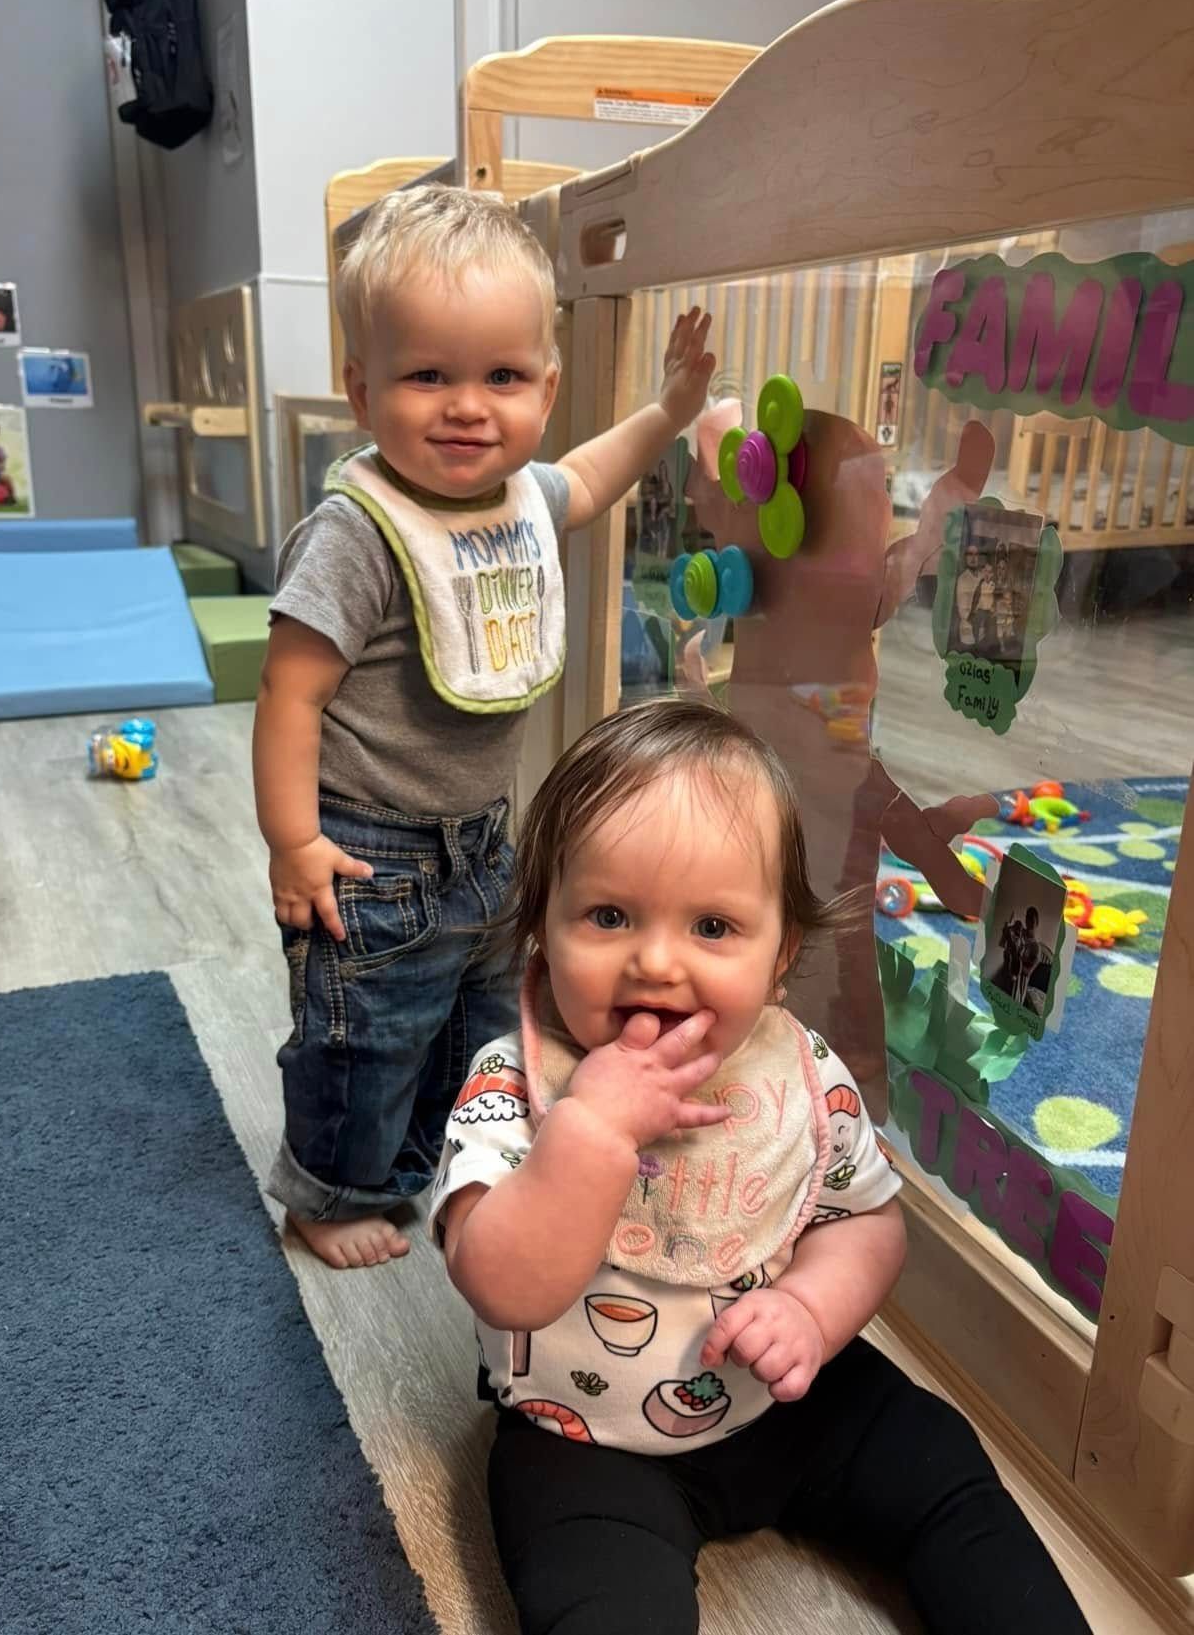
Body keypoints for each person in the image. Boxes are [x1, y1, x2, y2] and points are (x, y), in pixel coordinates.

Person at [431, 698, 1090, 1634]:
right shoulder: (512, 1084)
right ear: (544, 928)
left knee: (942, 1463)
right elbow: (499, 1282)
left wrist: (810, 1310)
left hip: (787, 1398)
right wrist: (590, 1132)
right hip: (584, 1436)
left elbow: (865, 1219)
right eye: (609, 915)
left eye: (712, 926)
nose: (656, 961)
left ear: (781, 957)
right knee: (600, 1604)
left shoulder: (798, 1077)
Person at [253, 185, 715, 1270]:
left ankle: (443, 1160)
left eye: (502, 377)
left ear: (545, 389)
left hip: (482, 841)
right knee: (366, 1034)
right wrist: (291, 840)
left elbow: (589, 479)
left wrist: (667, 411)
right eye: (427, 376)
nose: (467, 407)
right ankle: (330, 1194)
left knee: (479, 1019)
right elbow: (289, 694)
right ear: (361, 391)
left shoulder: (515, 501)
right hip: (366, 852)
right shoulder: (360, 533)